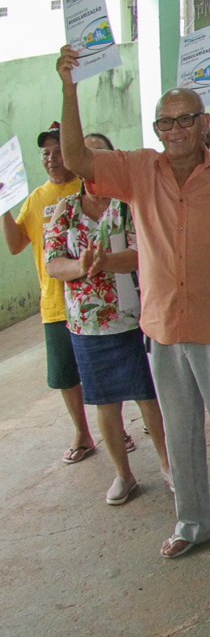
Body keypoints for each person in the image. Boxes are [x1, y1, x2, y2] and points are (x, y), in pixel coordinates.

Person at [57, 51, 210, 562]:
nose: (177, 129)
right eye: (167, 121)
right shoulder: (138, 169)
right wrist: (69, 88)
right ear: (158, 128)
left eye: (187, 119)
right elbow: (76, 159)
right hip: (162, 328)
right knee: (178, 433)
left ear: (204, 124)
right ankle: (193, 522)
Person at [44, 141, 171, 506]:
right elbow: (54, 263)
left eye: (100, 154)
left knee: (147, 396)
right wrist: (82, 266)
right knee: (104, 402)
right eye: (85, 154)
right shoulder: (64, 210)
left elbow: (140, 254)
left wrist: (104, 262)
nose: (92, 162)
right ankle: (123, 474)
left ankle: (167, 465)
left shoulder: (127, 204)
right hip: (87, 324)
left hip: (132, 317)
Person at [5, 123, 91, 465]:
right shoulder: (35, 199)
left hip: (88, 300)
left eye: (57, 151)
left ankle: (115, 428)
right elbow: (14, 245)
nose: (51, 158)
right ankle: (83, 433)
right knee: (65, 376)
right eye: (45, 153)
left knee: (96, 369)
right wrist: (3, 206)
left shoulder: (87, 187)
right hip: (54, 305)